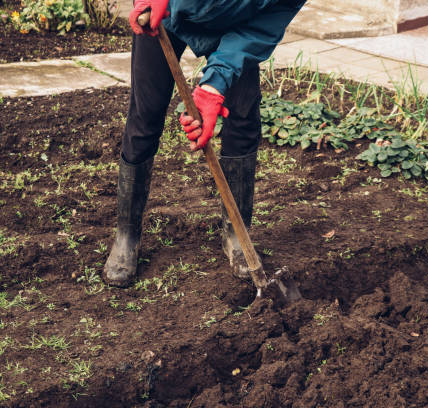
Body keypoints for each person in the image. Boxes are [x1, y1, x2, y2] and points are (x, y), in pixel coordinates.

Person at [103, 0, 306, 287]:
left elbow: (263, 26)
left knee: (244, 117)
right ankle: (127, 235)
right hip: (165, 10)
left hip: (236, 25)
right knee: (145, 115)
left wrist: (213, 86)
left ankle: (237, 235)